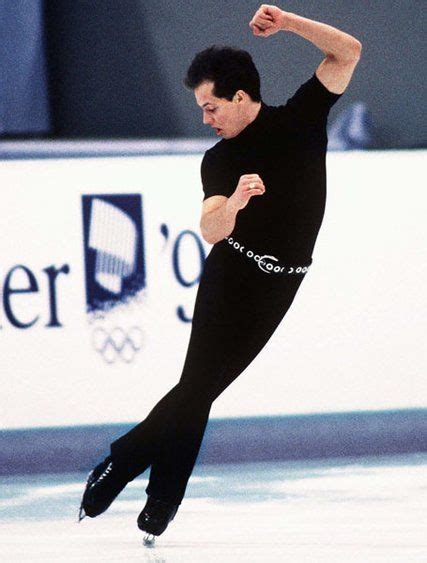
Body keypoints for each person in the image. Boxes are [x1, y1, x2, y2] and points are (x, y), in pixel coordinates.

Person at [78, 4, 361, 544]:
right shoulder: (218, 159)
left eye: (211, 107)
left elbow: (348, 51)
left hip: (283, 281)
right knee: (202, 386)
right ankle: (157, 496)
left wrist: (290, 24)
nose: (206, 119)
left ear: (239, 96)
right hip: (232, 273)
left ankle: (128, 461)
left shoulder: (302, 117)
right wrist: (234, 202)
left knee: (200, 387)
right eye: (201, 109)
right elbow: (211, 228)